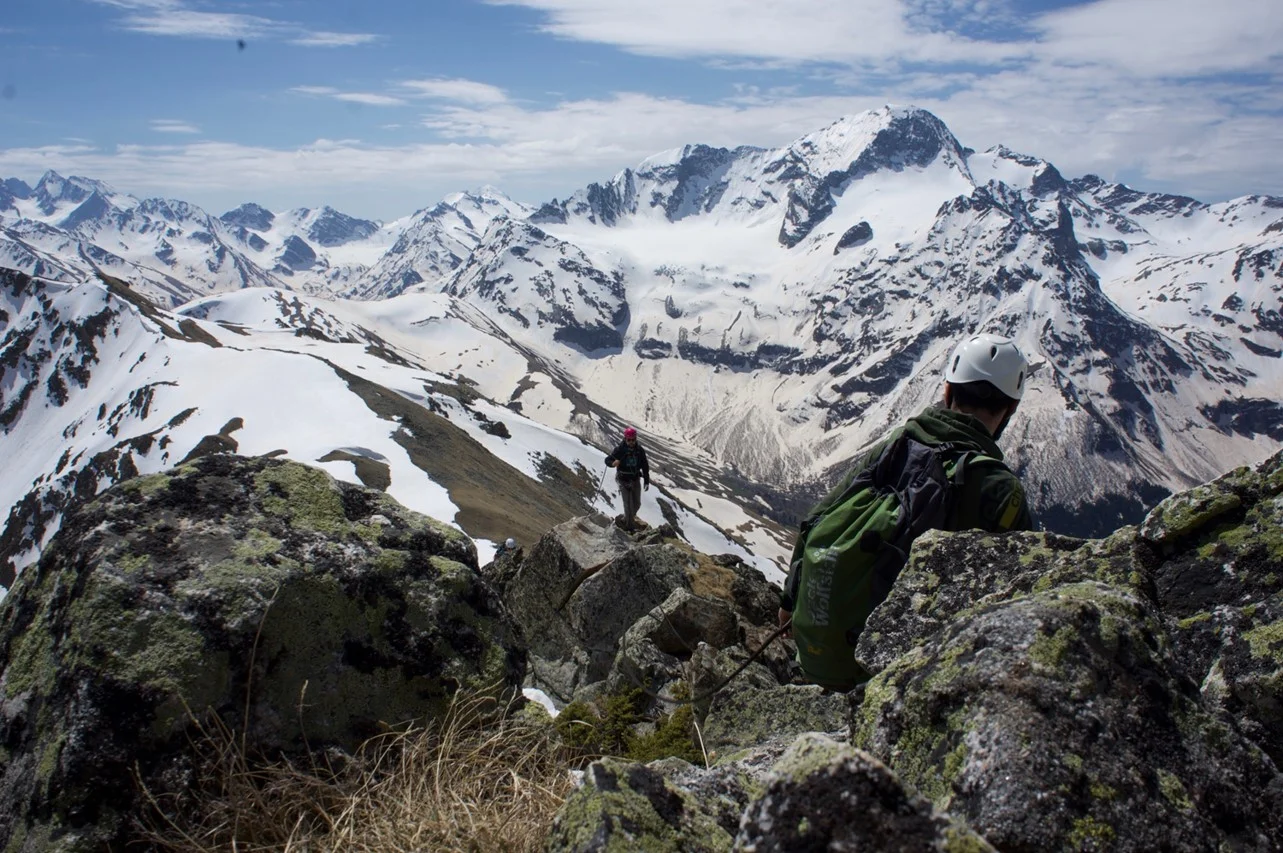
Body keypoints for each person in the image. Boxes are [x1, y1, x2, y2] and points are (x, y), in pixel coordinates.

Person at [779, 333, 1035, 681]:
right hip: (909, 677)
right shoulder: (1002, 492)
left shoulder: (898, 444)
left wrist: (788, 602)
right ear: (1010, 410)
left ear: (947, 391)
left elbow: (818, 517)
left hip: (819, 657)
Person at [605, 426, 651, 532]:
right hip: (623, 479)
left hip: (635, 479)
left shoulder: (639, 450)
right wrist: (613, 463)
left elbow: (645, 465)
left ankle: (627, 518)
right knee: (628, 504)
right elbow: (607, 460)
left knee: (637, 503)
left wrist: (646, 480)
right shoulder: (620, 450)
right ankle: (629, 527)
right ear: (625, 439)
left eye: (633, 440)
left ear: (636, 438)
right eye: (629, 440)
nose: (631, 442)